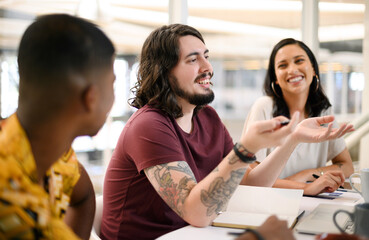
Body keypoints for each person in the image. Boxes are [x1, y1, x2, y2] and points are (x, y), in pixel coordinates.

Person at [101, 24, 352, 240]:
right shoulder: (149, 125)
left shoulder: (207, 117)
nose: (207, 67)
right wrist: (245, 149)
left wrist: (293, 138)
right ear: (164, 72)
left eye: (206, 56)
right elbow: (195, 212)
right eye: (192, 59)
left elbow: (252, 184)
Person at [0, 14, 115, 239]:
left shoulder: (54, 154)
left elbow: (83, 195)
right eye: (112, 83)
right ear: (90, 98)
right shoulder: (19, 212)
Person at [242, 38, 354, 195]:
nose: (292, 69)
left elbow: (347, 165)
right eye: (283, 65)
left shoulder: (324, 112)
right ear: (275, 78)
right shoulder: (264, 107)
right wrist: (303, 186)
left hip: (310, 201)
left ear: (314, 69)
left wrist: (309, 173)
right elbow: (250, 178)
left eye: (299, 61)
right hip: (269, 201)